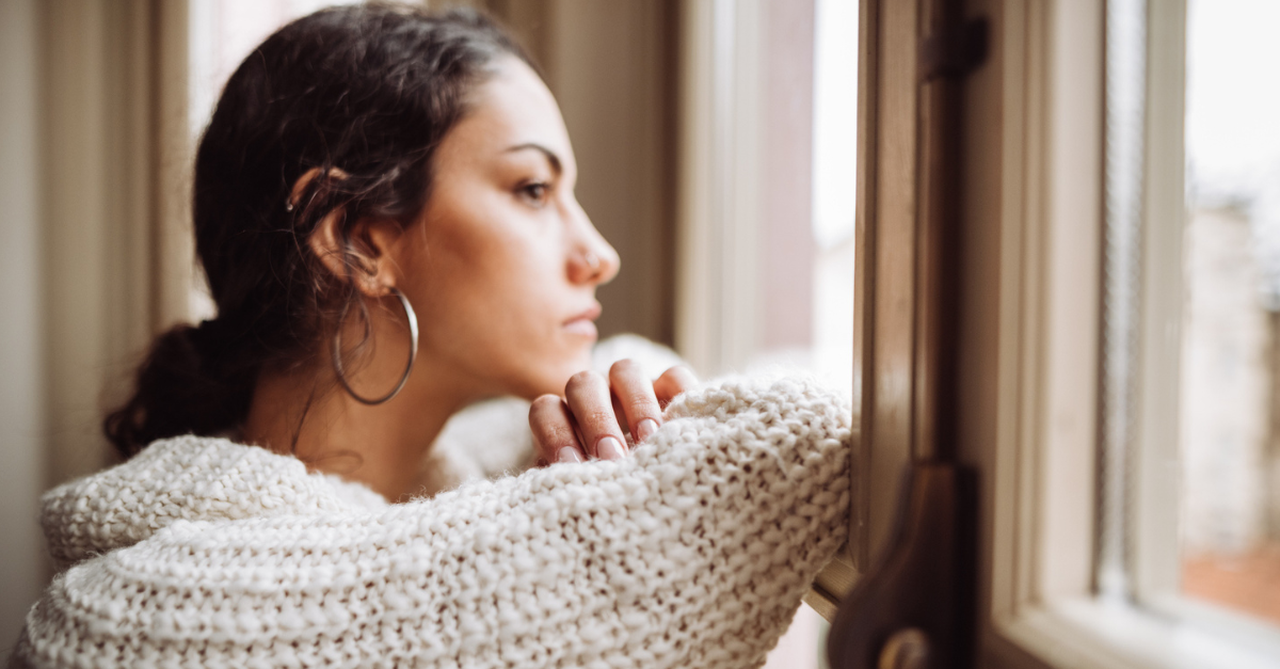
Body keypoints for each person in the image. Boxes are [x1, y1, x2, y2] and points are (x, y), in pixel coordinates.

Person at [11, 6, 853, 668]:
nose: (599, 253)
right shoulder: (138, 620)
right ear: (360, 241)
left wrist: (635, 415)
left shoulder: (469, 492)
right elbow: (791, 442)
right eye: (531, 188)